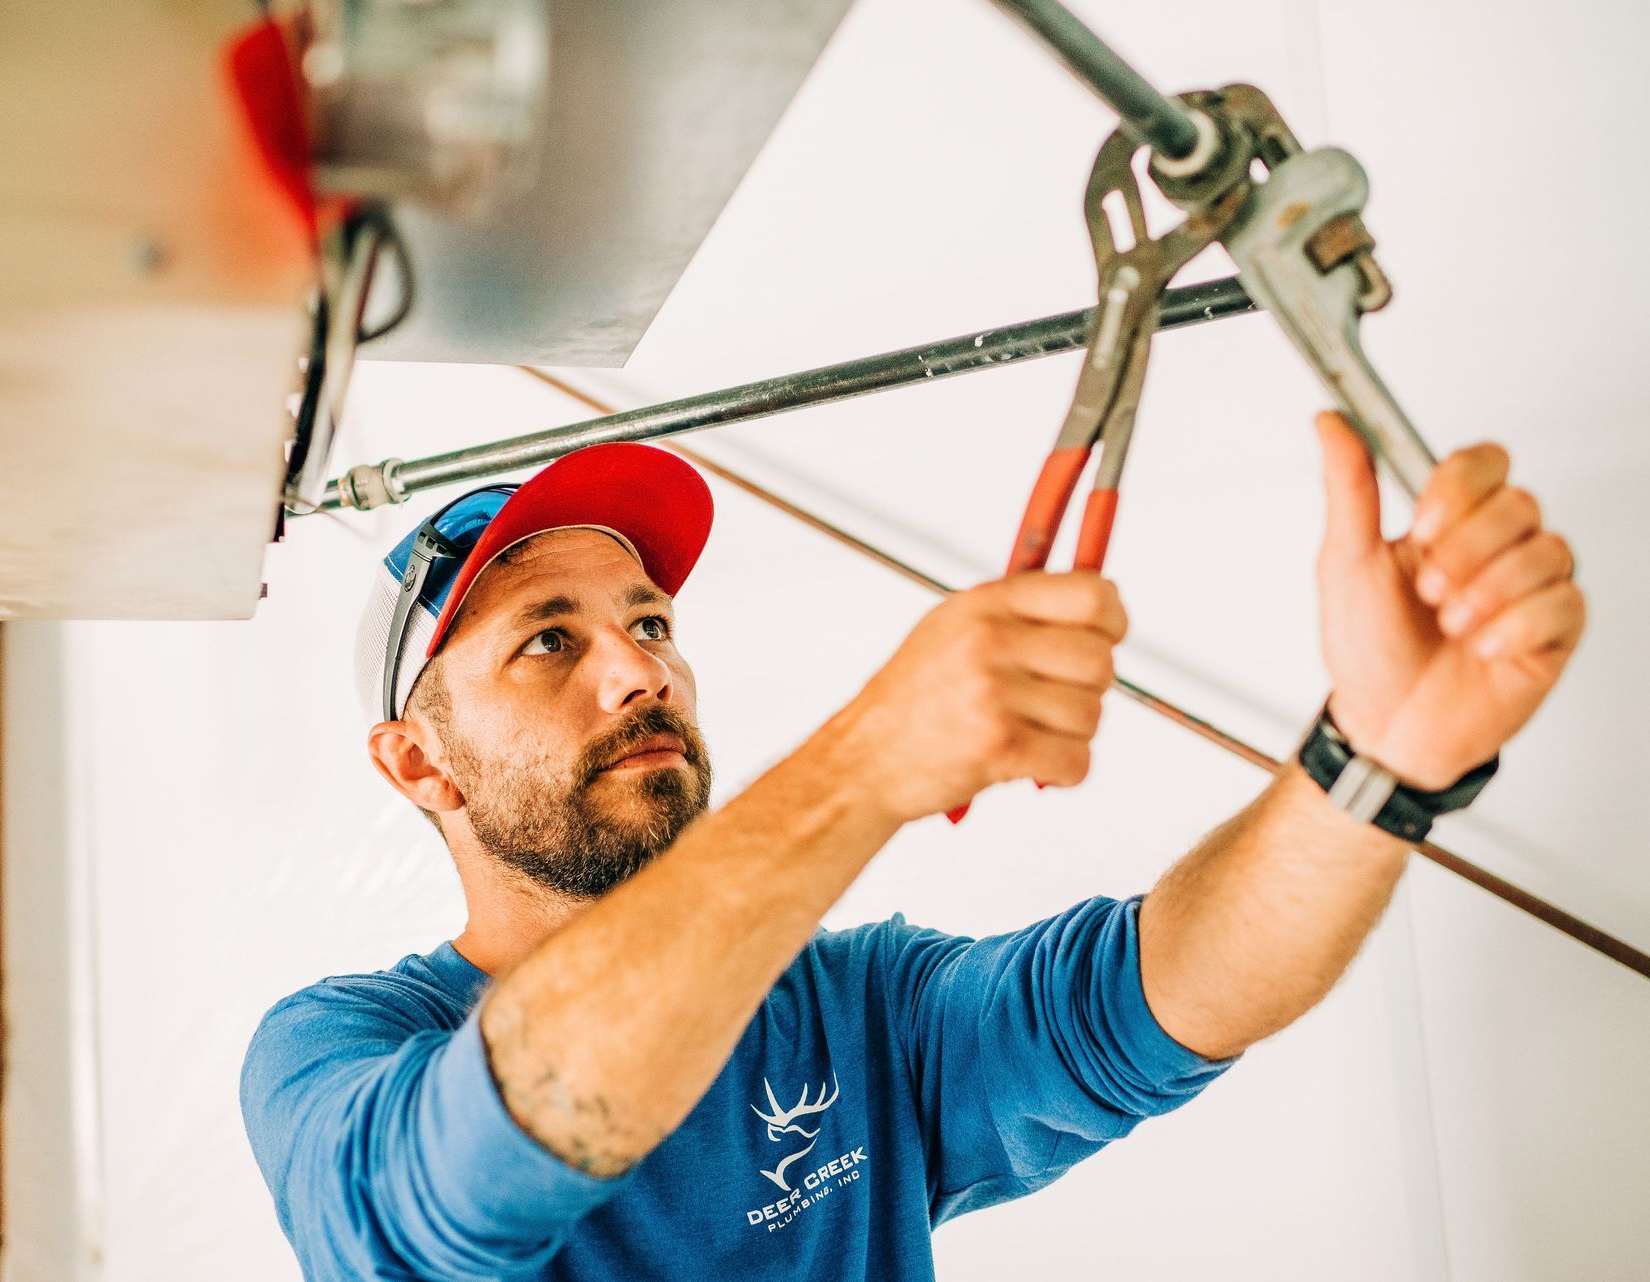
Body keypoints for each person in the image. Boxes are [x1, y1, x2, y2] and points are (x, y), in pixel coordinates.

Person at [241, 417, 1583, 1281]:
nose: (639, 671)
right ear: (419, 762)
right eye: (551, 638)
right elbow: (457, 1182)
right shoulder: (335, 1053)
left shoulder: (852, 1009)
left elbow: (1162, 995)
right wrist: (872, 757)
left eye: (649, 623)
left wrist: (1378, 761)